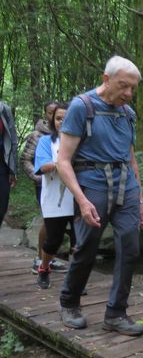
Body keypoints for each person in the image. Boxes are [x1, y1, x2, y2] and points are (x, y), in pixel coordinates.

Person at [56, 55, 143, 336]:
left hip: (126, 186)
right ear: (106, 79)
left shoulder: (127, 114)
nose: (128, 94)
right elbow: (63, 161)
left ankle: (116, 313)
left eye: (133, 88)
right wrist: (82, 200)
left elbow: (131, 160)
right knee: (86, 246)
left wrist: (141, 199)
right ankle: (69, 302)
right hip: (93, 185)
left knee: (130, 248)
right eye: (123, 86)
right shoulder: (81, 107)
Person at [21, 100, 69, 274]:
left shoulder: (72, 135)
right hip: (44, 182)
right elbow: (25, 159)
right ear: (47, 115)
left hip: (67, 185)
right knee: (48, 222)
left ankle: (50, 259)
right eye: (50, 113)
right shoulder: (38, 136)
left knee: (62, 223)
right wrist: (37, 178)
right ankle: (41, 259)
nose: (54, 117)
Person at [33, 103, 76, 289]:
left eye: (66, 118)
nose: (62, 122)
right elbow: (42, 167)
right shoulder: (45, 142)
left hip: (78, 196)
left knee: (79, 240)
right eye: (58, 118)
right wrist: (61, 163)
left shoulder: (80, 140)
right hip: (54, 197)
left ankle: (76, 280)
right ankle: (44, 268)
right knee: (54, 239)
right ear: (53, 120)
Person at [0, 100, 18, 228]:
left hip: (2, 163)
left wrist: (13, 170)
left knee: (2, 204)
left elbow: (12, 140)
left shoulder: (4, 110)